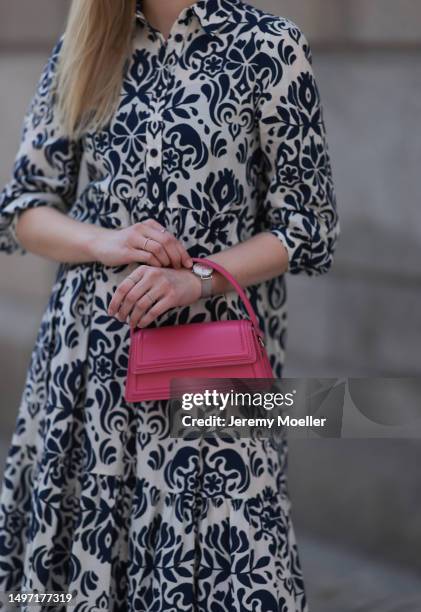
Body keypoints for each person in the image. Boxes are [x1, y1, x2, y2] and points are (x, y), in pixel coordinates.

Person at [0, 0, 339, 610]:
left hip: (211, 364)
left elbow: (308, 227)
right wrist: (104, 242)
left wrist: (202, 278)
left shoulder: (267, 46)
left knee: (239, 573)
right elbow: (23, 209)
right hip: (89, 371)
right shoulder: (86, 45)